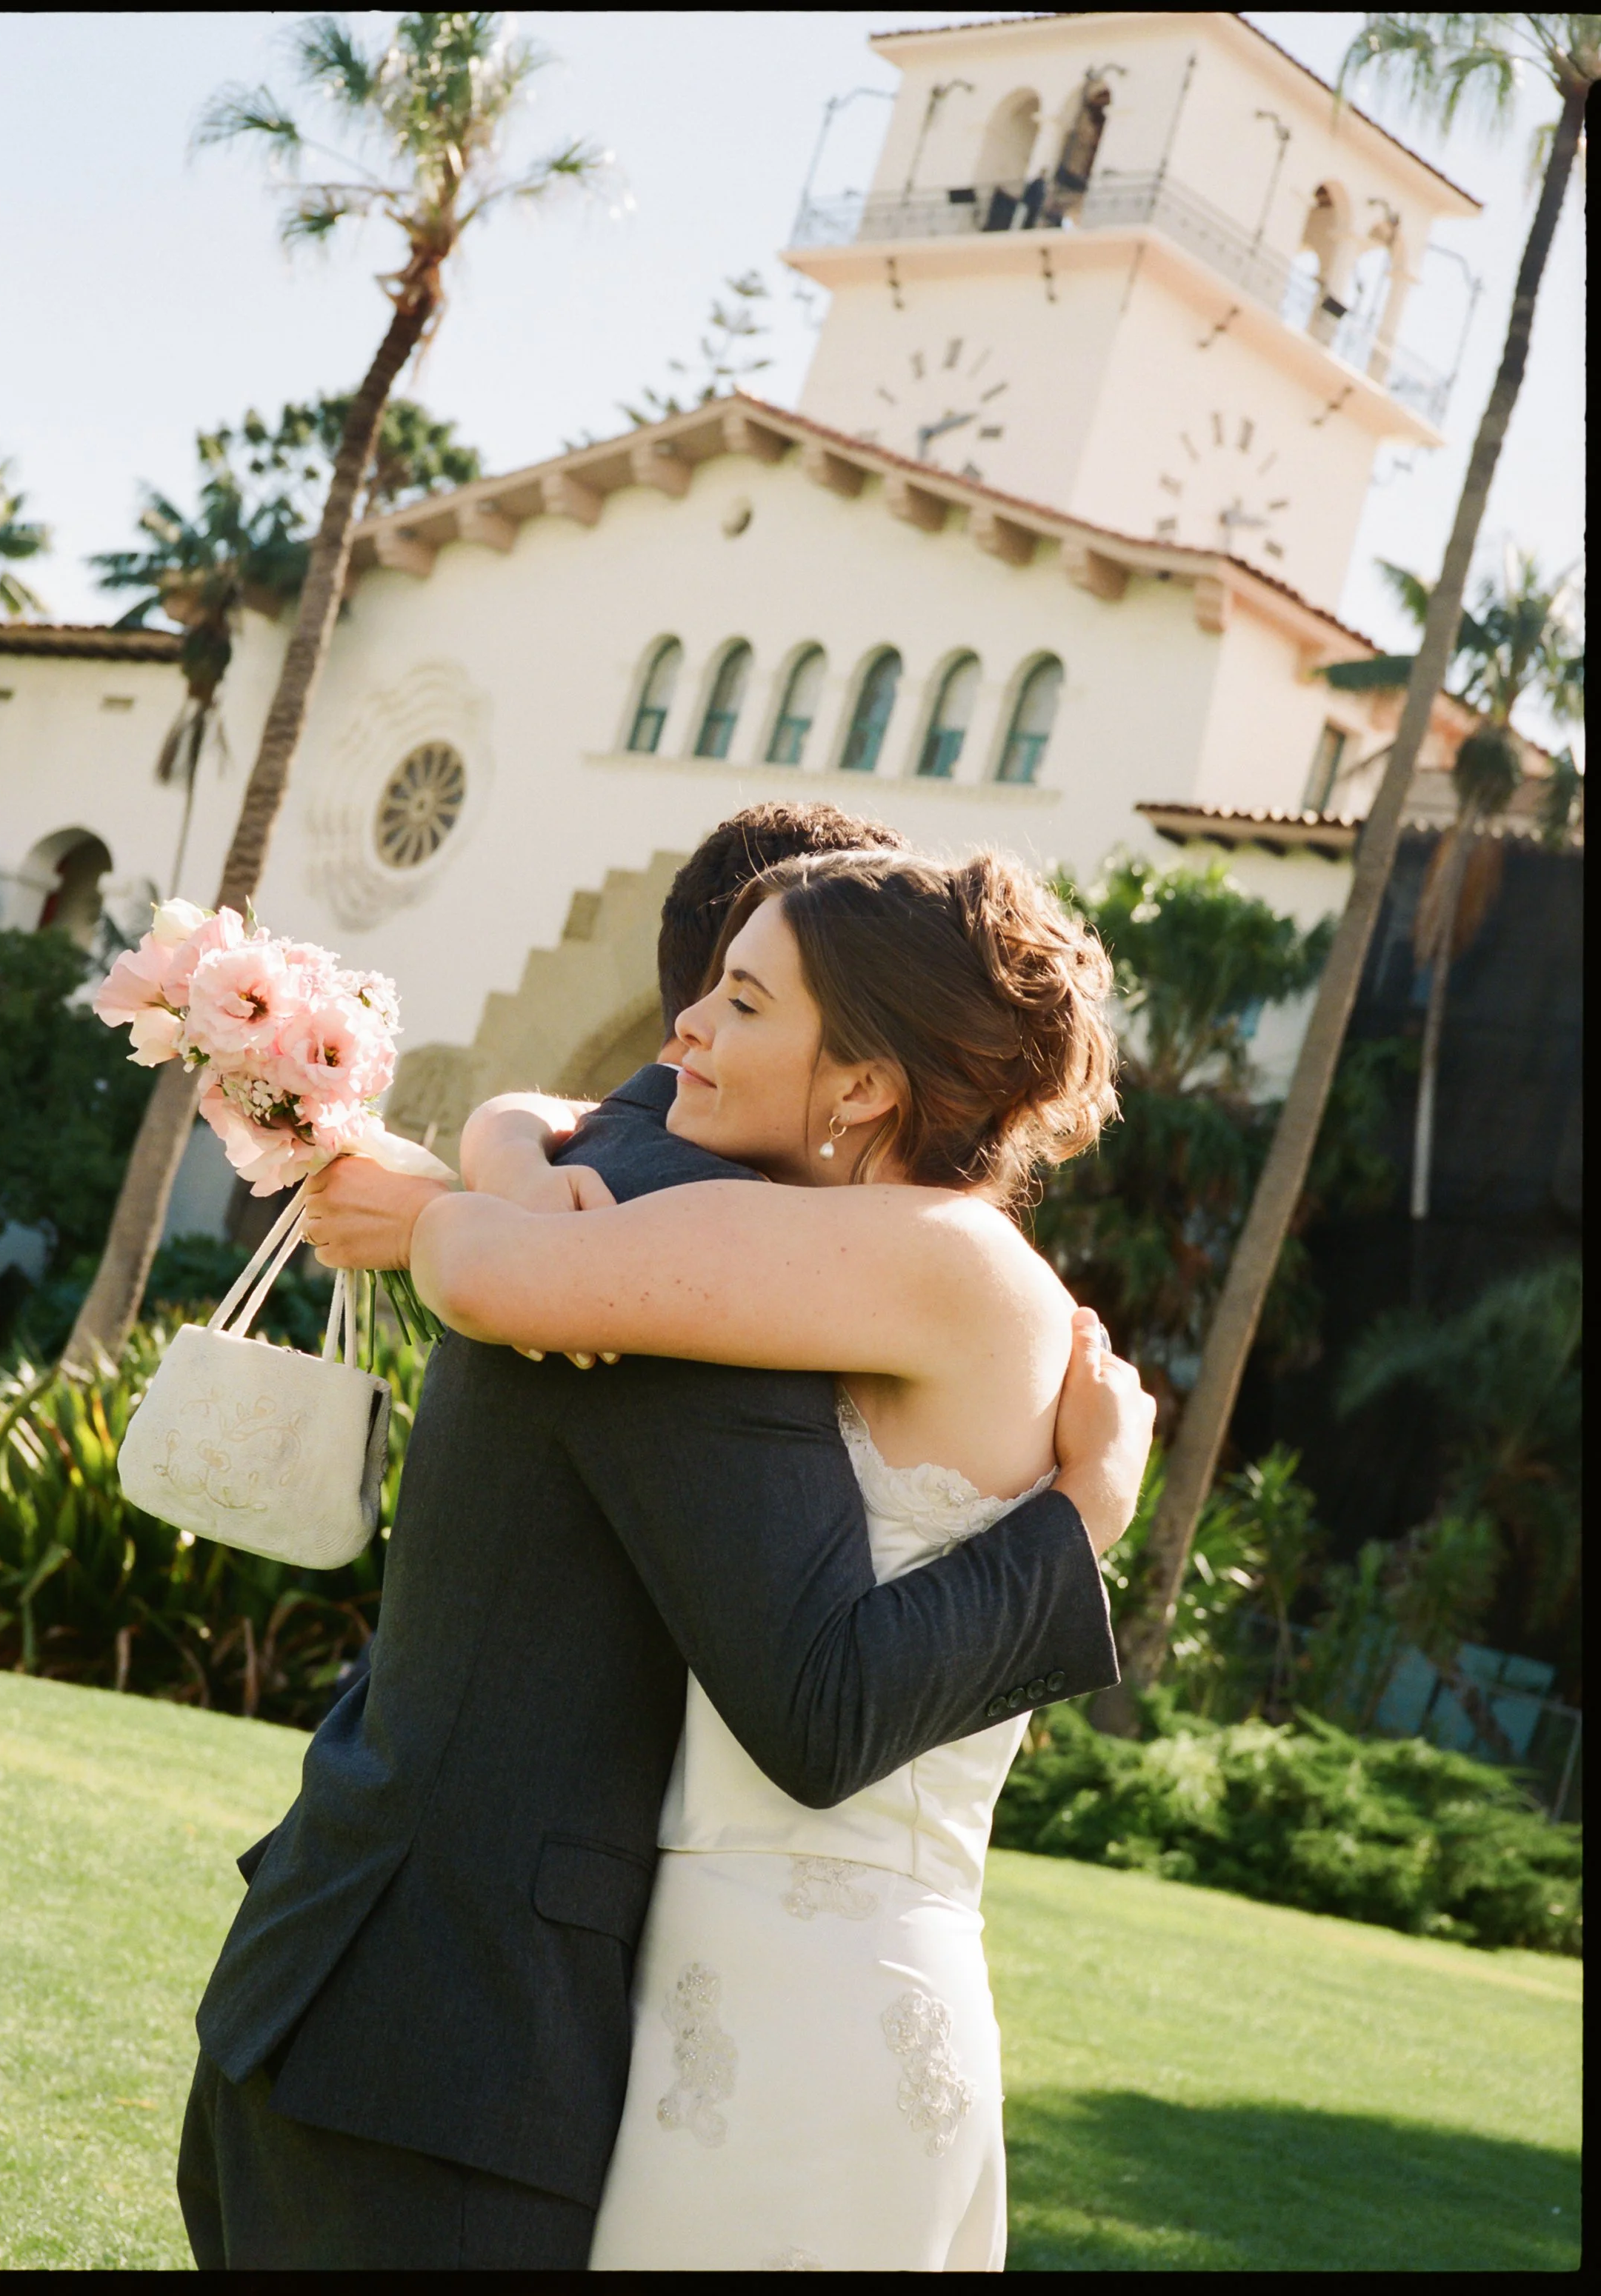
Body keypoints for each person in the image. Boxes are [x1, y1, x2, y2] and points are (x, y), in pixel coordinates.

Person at [179, 803, 1154, 2272]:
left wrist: (1087, 1516)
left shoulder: (936, 1254)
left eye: (742, 1001)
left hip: (803, 1993)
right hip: (656, 1984)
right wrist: (510, 1151)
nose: (685, 1026)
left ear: (863, 1082)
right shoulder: (808, 1229)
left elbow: (511, 1277)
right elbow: (574, 1124)